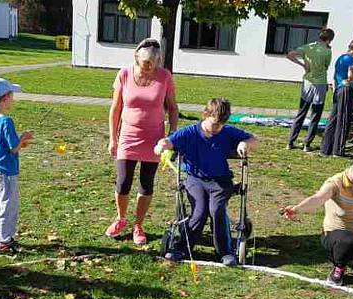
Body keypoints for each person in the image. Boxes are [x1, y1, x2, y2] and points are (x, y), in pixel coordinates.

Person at [154, 98, 258, 267]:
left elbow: (254, 140)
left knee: (216, 209)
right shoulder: (189, 132)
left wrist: (244, 143)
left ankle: (225, 251)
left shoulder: (227, 131)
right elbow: (169, 141)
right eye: (215, 123)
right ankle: (182, 248)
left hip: (221, 181)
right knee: (200, 210)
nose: (218, 128)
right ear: (205, 115)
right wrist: (161, 145)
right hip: (195, 180)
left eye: (221, 124)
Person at [280, 146, 353, 286]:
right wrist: (297, 209)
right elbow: (317, 198)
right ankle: (339, 267)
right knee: (349, 243)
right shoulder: (336, 182)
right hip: (336, 231)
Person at [106, 38, 179, 245]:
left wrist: (172, 134)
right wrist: (113, 137)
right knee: (123, 181)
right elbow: (116, 108)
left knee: (146, 183)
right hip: (128, 136)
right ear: (136, 58)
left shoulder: (165, 76)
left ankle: (138, 225)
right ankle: (121, 218)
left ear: (159, 60)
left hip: (154, 138)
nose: (149, 67)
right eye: (145, 63)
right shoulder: (125, 73)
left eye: (153, 63)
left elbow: (173, 108)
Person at [0, 77, 34, 257]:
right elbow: (13, 148)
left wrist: (19, 143)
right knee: (8, 205)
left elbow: (1, 144)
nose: (13, 98)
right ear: (5, 98)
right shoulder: (6, 121)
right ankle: (4, 242)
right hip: (5, 170)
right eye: (12, 95)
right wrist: (24, 138)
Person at [286, 28, 335, 152]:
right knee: (315, 115)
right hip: (320, 84)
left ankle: (290, 142)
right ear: (329, 40)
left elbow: (290, 55)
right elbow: (326, 66)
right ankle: (307, 144)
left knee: (301, 112)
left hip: (307, 83)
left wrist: (302, 64)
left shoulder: (308, 47)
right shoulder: (327, 52)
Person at [320, 39, 353, 157]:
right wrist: (350, 79)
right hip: (345, 89)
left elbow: (335, 76)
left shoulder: (340, 58)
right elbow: (350, 74)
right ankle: (338, 151)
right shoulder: (350, 59)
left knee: (333, 119)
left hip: (338, 89)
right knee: (343, 120)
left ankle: (325, 149)